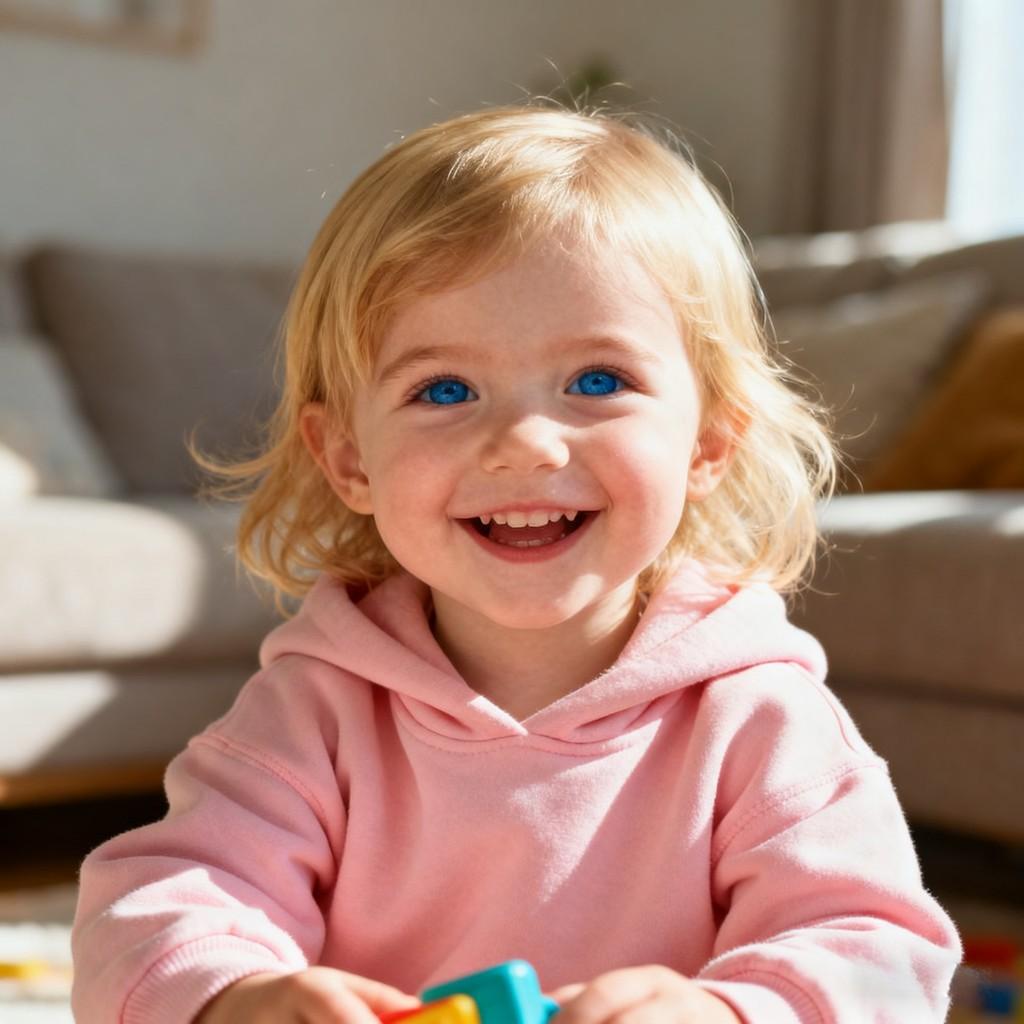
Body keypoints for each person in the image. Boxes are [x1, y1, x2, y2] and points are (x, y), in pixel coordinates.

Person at [71, 103, 961, 1024]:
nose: (526, 444)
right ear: (348, 460)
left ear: (708, 443)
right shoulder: (315, 711)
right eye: (445, 390)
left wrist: (734, 1014)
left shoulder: (760, 716)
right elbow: (161, 902)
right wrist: (233, 995)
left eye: (597, 381)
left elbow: (876, 953)